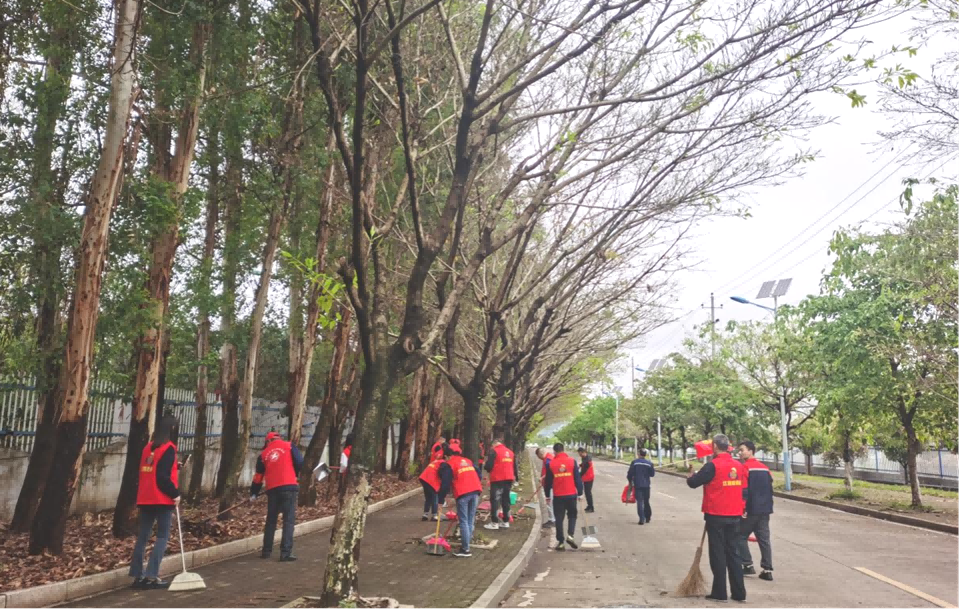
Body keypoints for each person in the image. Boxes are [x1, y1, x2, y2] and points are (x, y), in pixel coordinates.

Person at [686, 434, 748, 603]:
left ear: (714, 447)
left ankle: (720, 593)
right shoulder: (739, 466)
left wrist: (690, 475)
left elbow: (693, 483)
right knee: (734, 553)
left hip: (716, 515)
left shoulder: (712, 466)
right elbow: (744, 489)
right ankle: (739, 593)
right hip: (735, 515)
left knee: (718, 554)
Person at [129, 414, 181, 589]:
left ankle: (137, 576)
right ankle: (152, 576)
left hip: (145, 497)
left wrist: (176, 466)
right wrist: (175, 494)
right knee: (162, 536)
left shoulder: (148, 447)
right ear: (172, 429)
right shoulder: (169, 448)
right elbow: (162, 477)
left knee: (143, 537)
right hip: (162, 499)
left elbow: (153, 469)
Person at [251, 431, 304, 562]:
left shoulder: (263, 454)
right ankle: (285, 553)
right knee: (288, 520)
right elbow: (300, 463)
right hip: (289, 486)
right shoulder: (289, 446)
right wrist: (295, 473)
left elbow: (258, 477)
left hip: (272, 489)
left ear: (268, 441)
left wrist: (254, 493)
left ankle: (266, 551)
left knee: (271, 521)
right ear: (278, 438)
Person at [737, 440, 774, 581]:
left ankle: (747, 564)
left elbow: (744, 490)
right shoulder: (765, 468)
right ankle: (767, 570)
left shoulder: (745, 468)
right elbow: (770, 488)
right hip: (765, 509)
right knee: (764, 539)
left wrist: (743, 508)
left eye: (742, 450)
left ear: (751, 451)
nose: (740, 453)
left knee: (740, 536)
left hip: (751, 509)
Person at [438, 443, 482, 558]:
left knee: (463, 521)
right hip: (475, 491)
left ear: (447, 456)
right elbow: (479, 474)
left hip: (463, 493)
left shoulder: (450, 464)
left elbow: (445, 484)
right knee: (470, 520)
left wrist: (440, 500)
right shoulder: (467, 461)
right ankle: (467, 543)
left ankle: (465, 549)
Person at [544, 442, 583, 551]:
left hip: (558, 496)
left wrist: (547, 495)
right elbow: (577, 478)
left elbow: (548, 482)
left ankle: (561, 542)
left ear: (554, 451)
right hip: (571, 495)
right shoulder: (572, 461)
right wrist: (580, 493)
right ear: (563, 450)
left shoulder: (551, 464)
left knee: (559, 518)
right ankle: (570, 535)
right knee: (572, 515)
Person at [484, 438, 519, 530]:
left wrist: (486, 467)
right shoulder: (510, 452)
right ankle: (506, 521)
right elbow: (515, 466)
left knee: (495, 500)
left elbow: (489, 466)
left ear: (494, 444)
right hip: (509, 478)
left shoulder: (494, 451)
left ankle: (494, 522)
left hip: (497, 478)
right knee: (506, 499)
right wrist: (516, 478)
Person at [627, 448, 656, 525]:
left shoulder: (634, 463)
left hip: (638, 485)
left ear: (639, 454)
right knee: (646, 501)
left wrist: (630, 482)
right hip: (646, 485)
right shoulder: (649, 463)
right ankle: (648, 517)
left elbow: (630, 474)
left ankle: (641, 519)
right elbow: (652, 474)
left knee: (640, 502)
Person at [535, 447, 556, 528]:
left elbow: (551, 472)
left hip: (550, 485)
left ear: (540, 454)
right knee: (550, 502)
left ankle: (552, 520)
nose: (539, 458)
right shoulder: (548, 458)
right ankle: (553, 519)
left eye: (538, 456)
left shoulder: (548, 460)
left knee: (549, 502)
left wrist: (543, 478)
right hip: (549, 484)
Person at [419, 454, 444, 521]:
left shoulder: (437, 461)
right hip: (431, 480)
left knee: (428, 497)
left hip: (424, 478)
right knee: (435, 497)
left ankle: (425, 514)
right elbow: (442, 474)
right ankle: (434, 515)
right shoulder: (443, 463)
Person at [577, 447, 595, 512]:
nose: (579, 455)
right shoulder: (584, 457)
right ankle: (589, 506)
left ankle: (591, 507)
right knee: (587, 492)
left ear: (583, 452)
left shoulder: (587, 460)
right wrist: (580, 465)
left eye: (580, 453)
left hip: (589, 478)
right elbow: (583, 465)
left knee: (588, 493)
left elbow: (583, 471)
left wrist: (577, 476)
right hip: (587, 477)